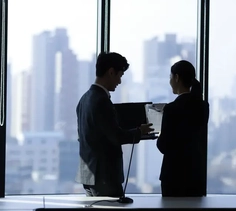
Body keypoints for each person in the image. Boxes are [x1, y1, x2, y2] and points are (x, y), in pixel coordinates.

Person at [75, 52, 154, 197]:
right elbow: (115, 136)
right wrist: (139, 131)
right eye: (120, 75)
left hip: (88, 175)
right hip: (105, 176)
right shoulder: (101, 101)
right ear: (111, 72)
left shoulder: (84, 99)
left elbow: (85, 137)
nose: (119, 81)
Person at [156, 60, 210, 197]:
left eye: (170, 77)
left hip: (174, 177)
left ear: (177, 78)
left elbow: (163, 145)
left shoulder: (171, 109)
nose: (170, 82)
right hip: (196, 175)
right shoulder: (203, 107)